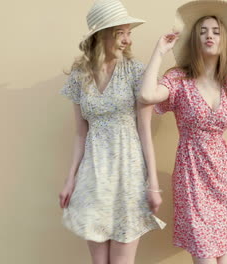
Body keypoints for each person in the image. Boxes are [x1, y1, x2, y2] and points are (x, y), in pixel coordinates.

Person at [138, 0, 227, 263]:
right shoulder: (178, 80)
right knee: (204, 258)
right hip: (191, 177)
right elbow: (147, 94)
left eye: (216, 31)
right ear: (194, 40)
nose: (209, 35)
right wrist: (159, 51)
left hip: (224, 178)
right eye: (203, 31)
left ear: (223, 40)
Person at [58, 1, 165, 263]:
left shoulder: (136, 72)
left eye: (129, 33)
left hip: (127, 177)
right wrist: (70, 178)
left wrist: (153, 184)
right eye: (121, 33)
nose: (128, 40)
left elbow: (144, 131)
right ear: (101, 34)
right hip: (92, 177)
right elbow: (80, 133)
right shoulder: (79, 76)